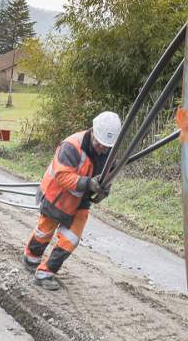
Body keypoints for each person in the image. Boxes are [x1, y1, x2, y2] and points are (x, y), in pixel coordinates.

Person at [22, 111, 121, 290]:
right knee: (44, 232)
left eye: (107, 147)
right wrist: (88, 183)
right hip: (56, 196)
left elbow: (109, 177)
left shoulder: (109, 152)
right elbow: (62, 176)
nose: (102, 150)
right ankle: (31, 258)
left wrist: (103, 191)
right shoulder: (71, 146)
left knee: (71, 239)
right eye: (100, 144)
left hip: (80, 202)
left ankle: (45, 274)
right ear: (92, 132)